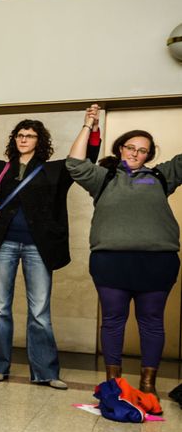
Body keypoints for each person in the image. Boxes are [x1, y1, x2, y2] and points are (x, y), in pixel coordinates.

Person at [0, 105, 100, 388]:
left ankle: (46, 372)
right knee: (0, 308)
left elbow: (86, 158)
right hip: (3, 245)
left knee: (39, 312)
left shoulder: (54, 171)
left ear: (40, 141)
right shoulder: (1, 171)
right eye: (20, 135)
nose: (23, 139)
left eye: (30, 135)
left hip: (39, 248)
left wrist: (91, 126)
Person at [67, 107, 181, 398]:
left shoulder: (160, 176)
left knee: (151, 321)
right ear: (120, 148)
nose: (135, 153)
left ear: (149, 155)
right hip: (111, 262)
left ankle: (147, 383)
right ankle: (114, 383)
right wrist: (88, 125)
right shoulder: (103, 178)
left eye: (142, 150)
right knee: (114, 320)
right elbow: (75, 163)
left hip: (158, 262)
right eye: (130, 147)